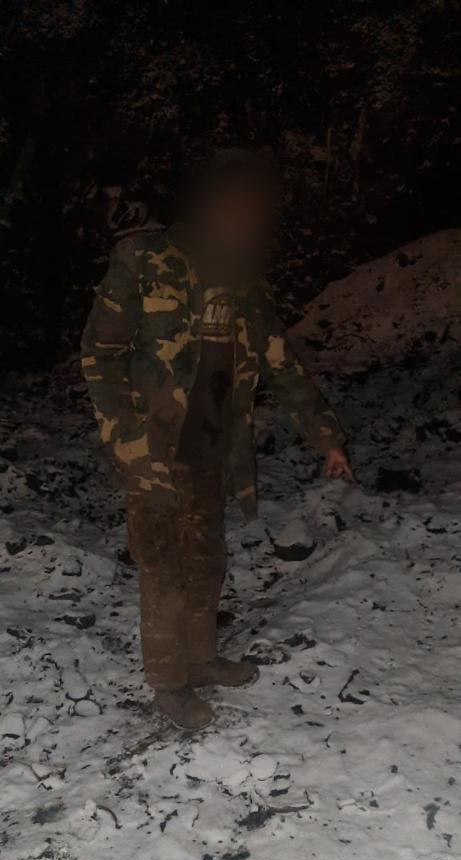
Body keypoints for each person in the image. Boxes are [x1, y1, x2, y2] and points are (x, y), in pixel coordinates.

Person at [81, 149, 353, 730]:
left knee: (207, 563)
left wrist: (325, 436)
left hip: (213, 448)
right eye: (233, 206)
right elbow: (99, 353)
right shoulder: (145, 258)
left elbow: (282, 366)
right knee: (164, 569)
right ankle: (169, 685)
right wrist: (124, 436)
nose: (242, 219)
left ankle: (201, 660)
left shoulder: (247, 284)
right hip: (151, 449)